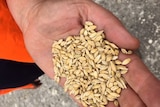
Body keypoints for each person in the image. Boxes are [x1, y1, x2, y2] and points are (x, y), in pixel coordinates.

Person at [1, 0, 160, 107]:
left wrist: (29, 7)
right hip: (10, 71)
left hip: (20, 31)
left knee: (33, 66)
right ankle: (27, 81)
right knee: (23, 74)